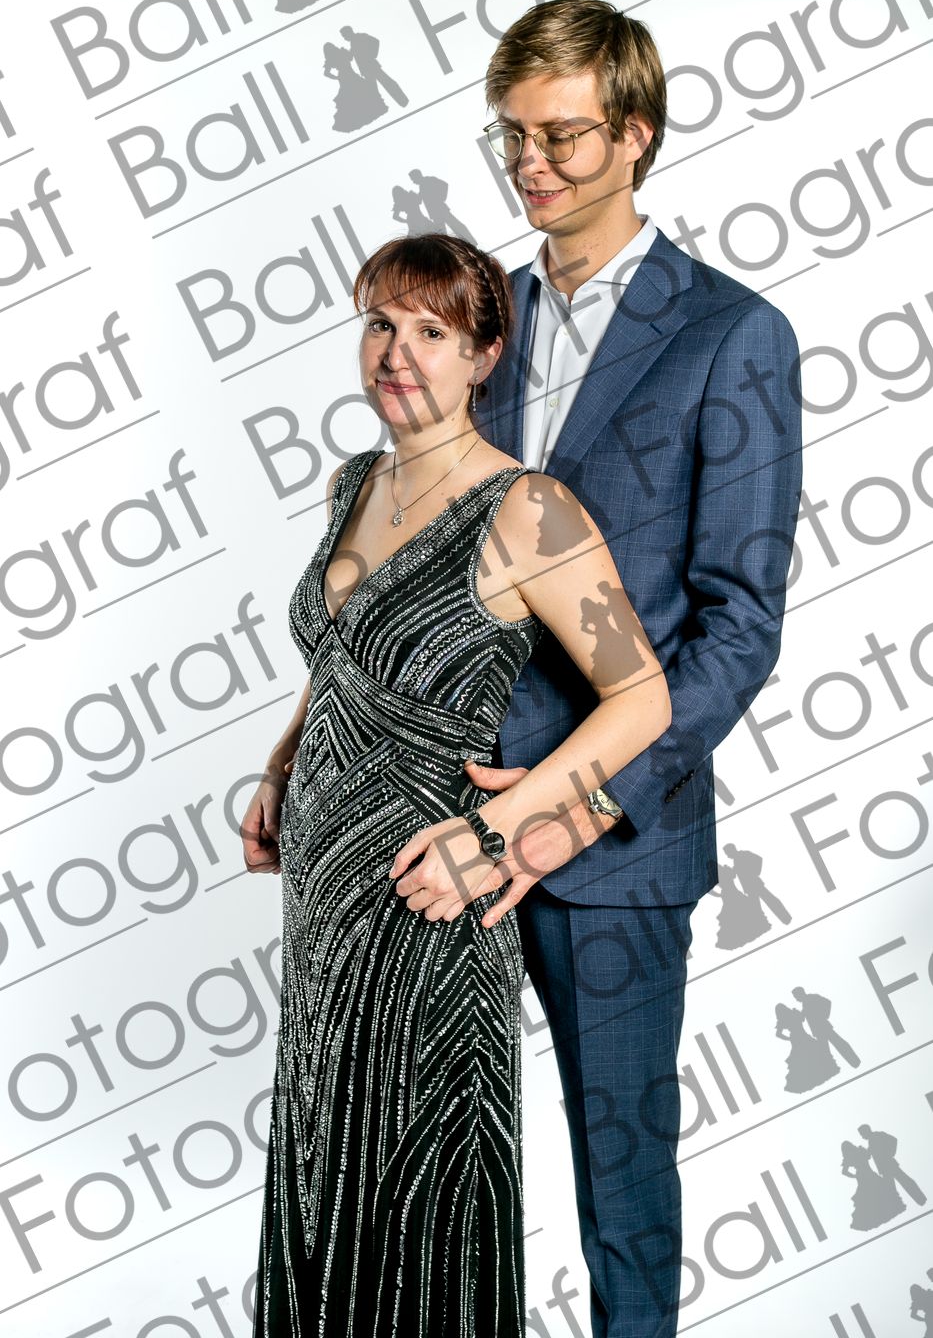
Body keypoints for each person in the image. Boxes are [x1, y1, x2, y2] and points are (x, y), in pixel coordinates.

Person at [242, 232, 671, 1336]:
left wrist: (498, 829)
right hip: (324, 905)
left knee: (424, 1178)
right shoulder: (352, 483)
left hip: (431, 893)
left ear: (483, 358)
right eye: (380, 324)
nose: (397, 353)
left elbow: (642, 698)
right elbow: (344, 656)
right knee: (324, 1156)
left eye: (430, 331)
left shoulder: (530, 508)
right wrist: (284, 761)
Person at [466, 0, 803, 1336]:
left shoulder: (731, 335)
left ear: (635, 134)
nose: (531, 163)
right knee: (435, 1168)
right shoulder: (477, 317)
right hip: (449, 817)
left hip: (615, 842)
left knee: (622, 1190)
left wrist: (578, 799)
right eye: (512, 136)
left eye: (560, 136)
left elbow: (739, 622)